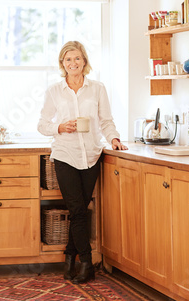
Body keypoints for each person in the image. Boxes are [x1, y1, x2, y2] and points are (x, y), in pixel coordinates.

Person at [38, 41, 127, 284]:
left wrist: (115, 139)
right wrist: (59, 126)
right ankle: (87, 264)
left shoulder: (97, 88)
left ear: (84, 61)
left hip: (91, 156)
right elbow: (42, 124)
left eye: (77, 58)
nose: (73, 63)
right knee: (77, 210)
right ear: (62, 63)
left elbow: (106, 120)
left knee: (79, 212)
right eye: (68, 59)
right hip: (65, 155)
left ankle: (69, 257)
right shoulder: (54, 91)